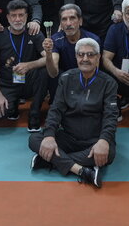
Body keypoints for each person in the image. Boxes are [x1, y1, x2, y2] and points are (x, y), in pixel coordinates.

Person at [29, 38, 117, 189]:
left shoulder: (109, 83)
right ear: (76, 57)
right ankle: (81, 170)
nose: (85, 59)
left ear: (98, 57)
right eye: (81, 54)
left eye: (90, 55)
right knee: (34, 139)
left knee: (109, 153)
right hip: (68, 137)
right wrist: (49, 136)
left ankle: (49, 160)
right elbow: (56, 109)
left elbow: (111, 116)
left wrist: (103, 140)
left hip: (93, 140)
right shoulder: (66, 78)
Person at [0, 0, 47, 131]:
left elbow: (49, 58)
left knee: (45, 71)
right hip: (7, 83)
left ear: (27, 16)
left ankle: (34, 113)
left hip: (28, 81)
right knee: (0, 113)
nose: (17, 19)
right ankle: (13, 104)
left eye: (21, 15)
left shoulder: (34, 32)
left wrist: (29, 65)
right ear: (7, 17)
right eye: (13, 15)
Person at [44, 4, 100, 104]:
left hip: (85, 78)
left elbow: (94, 71)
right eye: (64, 19)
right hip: (64, 81)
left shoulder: (92, 40)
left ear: (80, 21)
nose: (68, 23)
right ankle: (57, 104)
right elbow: (53, 73)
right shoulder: (55, 40)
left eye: (72, 18)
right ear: (60, 24)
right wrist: (48, 54)